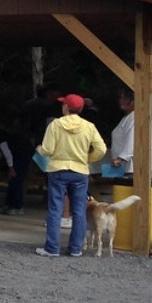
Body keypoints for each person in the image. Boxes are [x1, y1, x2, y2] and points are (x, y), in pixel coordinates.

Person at [35, 94, 106, 258]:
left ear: (66, 107)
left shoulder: (55, 125)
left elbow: (47, 150)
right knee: (79, 210)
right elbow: (101, 149)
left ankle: (52, 248)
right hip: (80, 171)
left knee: (55, 209)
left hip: (58, 170)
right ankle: (75, 248)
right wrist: (87, 159)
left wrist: (39, 149)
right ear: (80, 109)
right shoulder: (89, 126)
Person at [108, 89, 152, 181]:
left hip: (143, 161)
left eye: (124, 98)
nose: (120, 101)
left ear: (133, 101)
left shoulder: (138, 116)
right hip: (130, 162)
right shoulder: (128, 117)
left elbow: (134, 138)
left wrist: (120, 158)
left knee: (141, 192)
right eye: (121, 98)